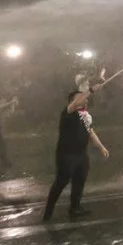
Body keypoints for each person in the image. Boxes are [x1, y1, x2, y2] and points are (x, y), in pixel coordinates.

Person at [43, 86, 110, 222]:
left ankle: (75, 208)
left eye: (84, 97)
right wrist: (90, 90)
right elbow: (77, 102)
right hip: (67, 155)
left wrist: (101, 147)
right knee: (61, 182)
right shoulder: (68, 113)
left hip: (81, 154)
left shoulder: (85, 116)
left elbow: (91, 133)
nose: (84, 100)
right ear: (72, 102)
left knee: (79, 181)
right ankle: (48, 212)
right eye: (80, 97)